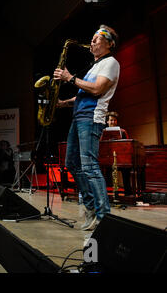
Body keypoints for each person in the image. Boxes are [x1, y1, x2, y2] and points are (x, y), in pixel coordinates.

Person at [56, 25, 120, 231]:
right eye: (91, 38)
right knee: (72, 163)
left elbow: (97, 89)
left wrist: (70, 78)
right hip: (79, 116)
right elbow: (83, 93)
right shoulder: (95, 66)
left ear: (110, 43)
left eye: (96, 38)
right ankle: (92, 208)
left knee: (90, 167)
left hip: (91, 118)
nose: (92, 41)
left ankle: (103, 216)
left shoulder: (111, 63)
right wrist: (63, 103)